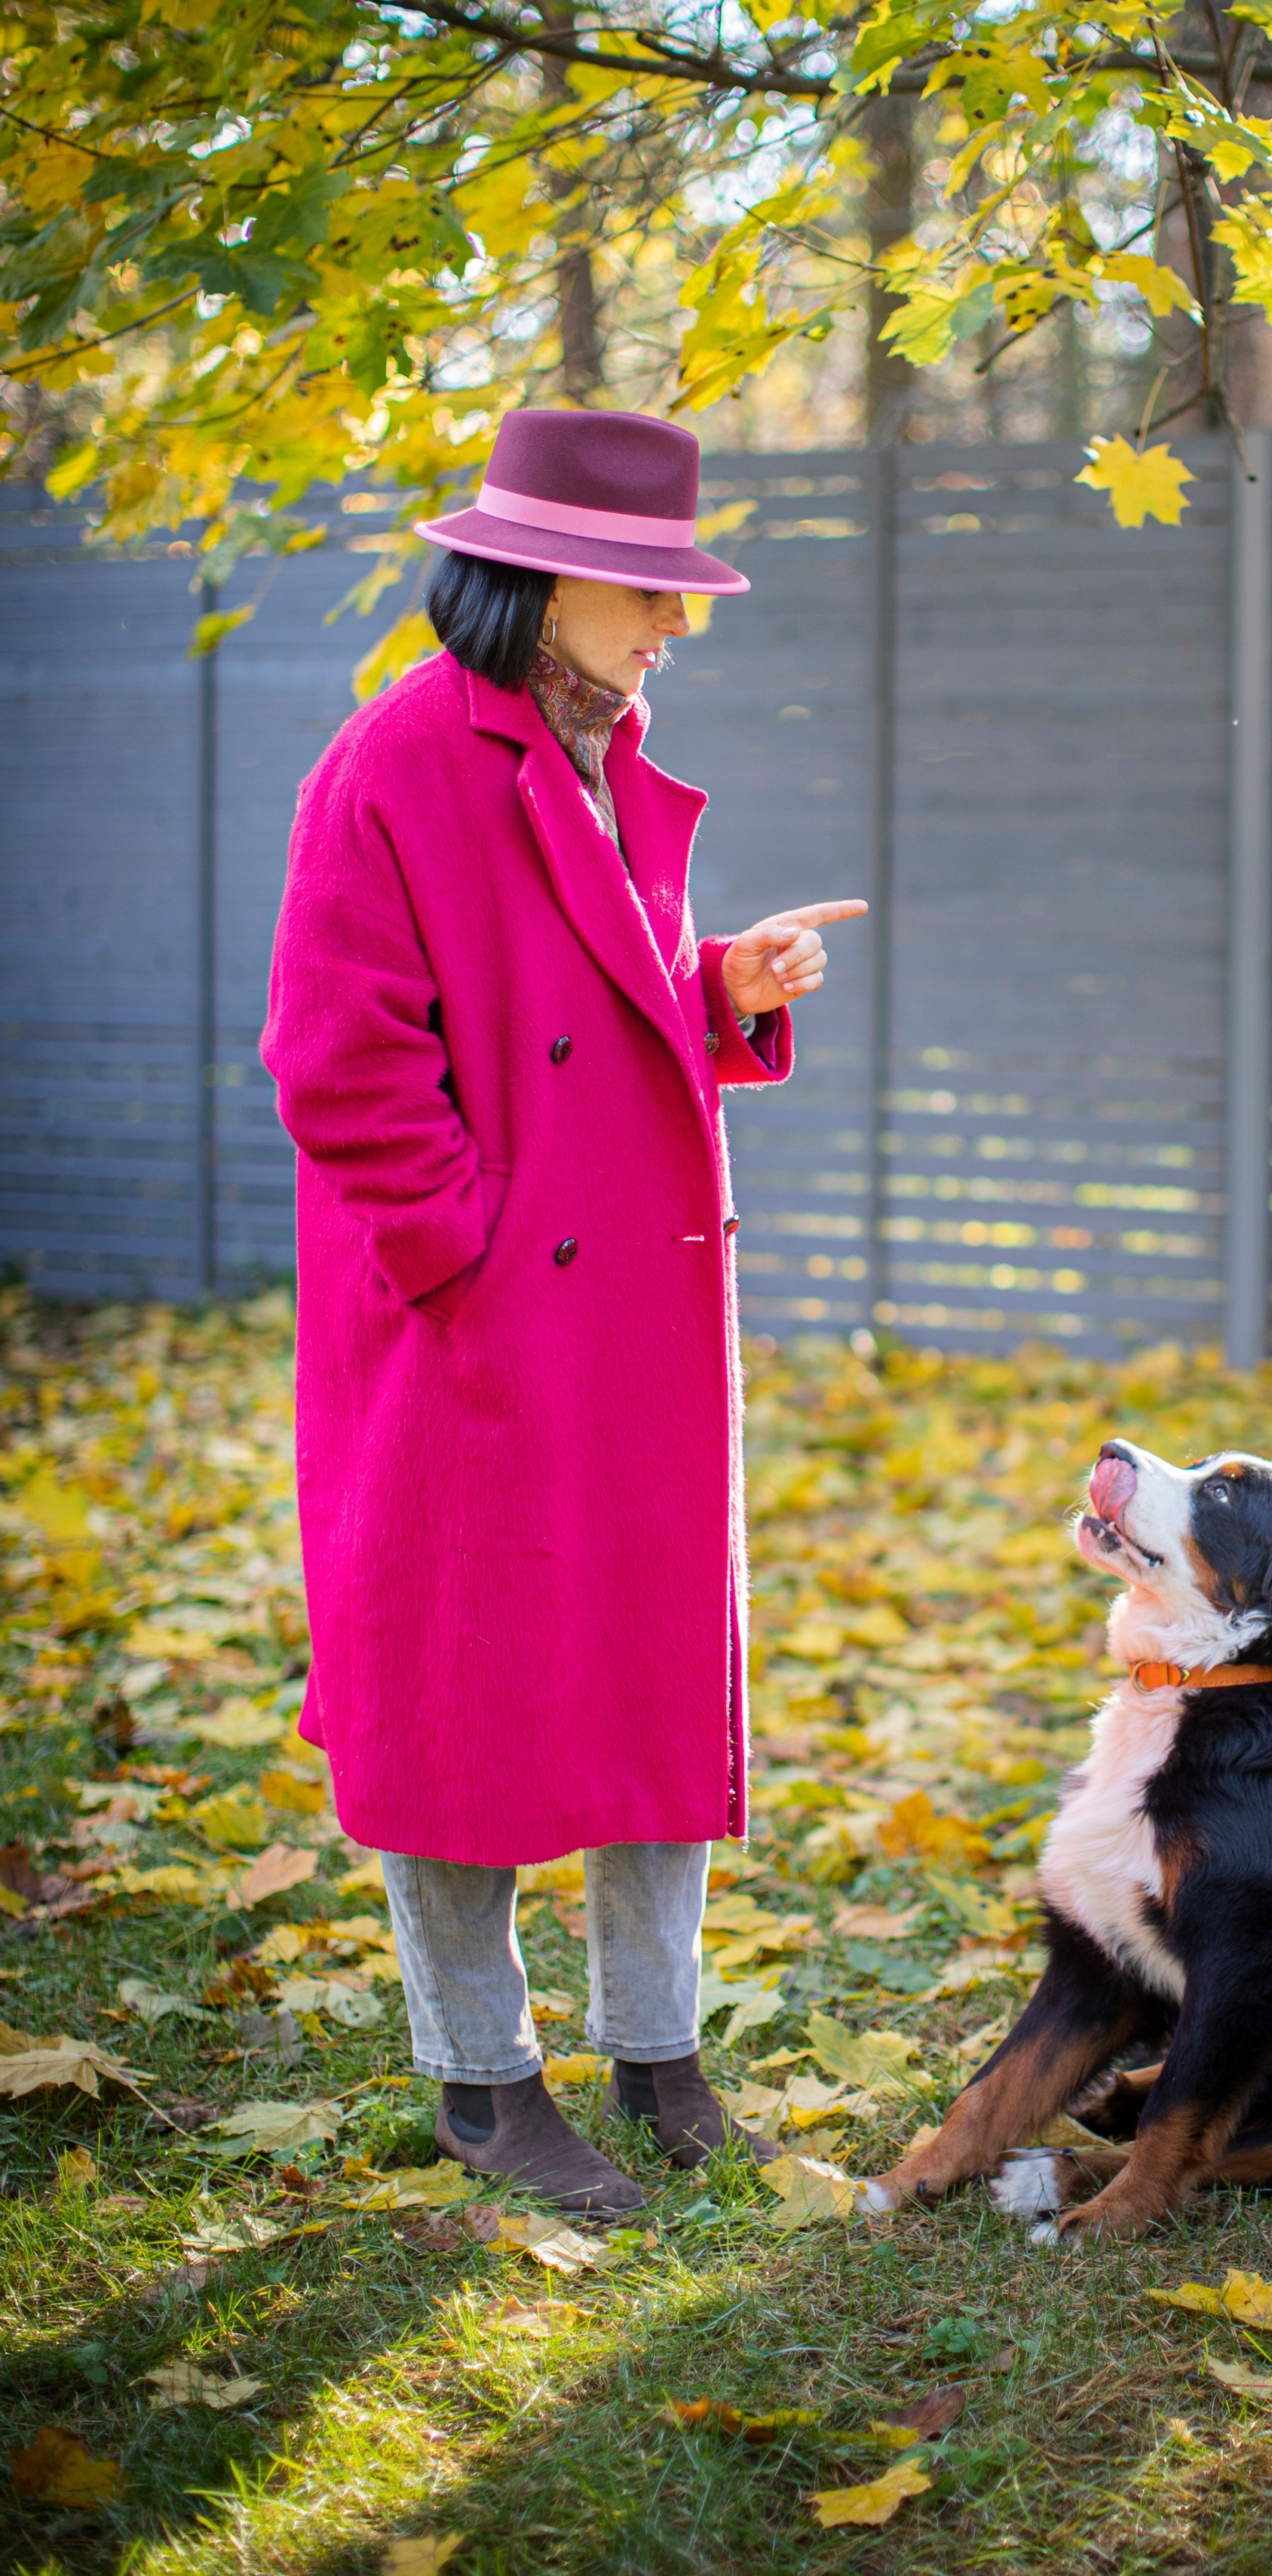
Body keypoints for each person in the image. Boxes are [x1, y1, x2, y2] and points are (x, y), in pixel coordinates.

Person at [261, 407, 863, 2214]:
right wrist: (465, 1253)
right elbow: (339, 1059)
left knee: (648, 1669)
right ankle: (481, 2085)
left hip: (629, 1321)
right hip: (467, 1334)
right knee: (454, 1697)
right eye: (646, 588)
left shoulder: (601, 747)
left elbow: (587, 1003)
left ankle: (661, 2055)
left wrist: (722, 988)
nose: (676, 622)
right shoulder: (392, 761)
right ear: (533, 577)